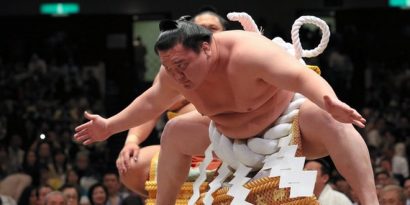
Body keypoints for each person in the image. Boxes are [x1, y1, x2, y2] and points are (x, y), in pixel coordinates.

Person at [74, 18, 378, 205]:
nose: (176, 76)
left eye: (181, 65)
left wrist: (329, 99)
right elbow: (152, 102)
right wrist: (110, 127)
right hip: (223, 135)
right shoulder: (173, 75)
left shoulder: (248, 53)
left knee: (329, 118)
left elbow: (301, 78)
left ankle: (369, 202)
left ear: (206, 48)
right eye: (169, 68)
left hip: (286, 125)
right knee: (175, 132)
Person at [115, 9, 226, 198]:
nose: (206, 31)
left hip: (227, 146)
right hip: (179, 150)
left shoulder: (235, 61)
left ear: (225, 33)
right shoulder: (172, 70)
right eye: (200, 27)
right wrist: (132, 140)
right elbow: (150, 105)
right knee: (130, 164)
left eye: (213, 28)